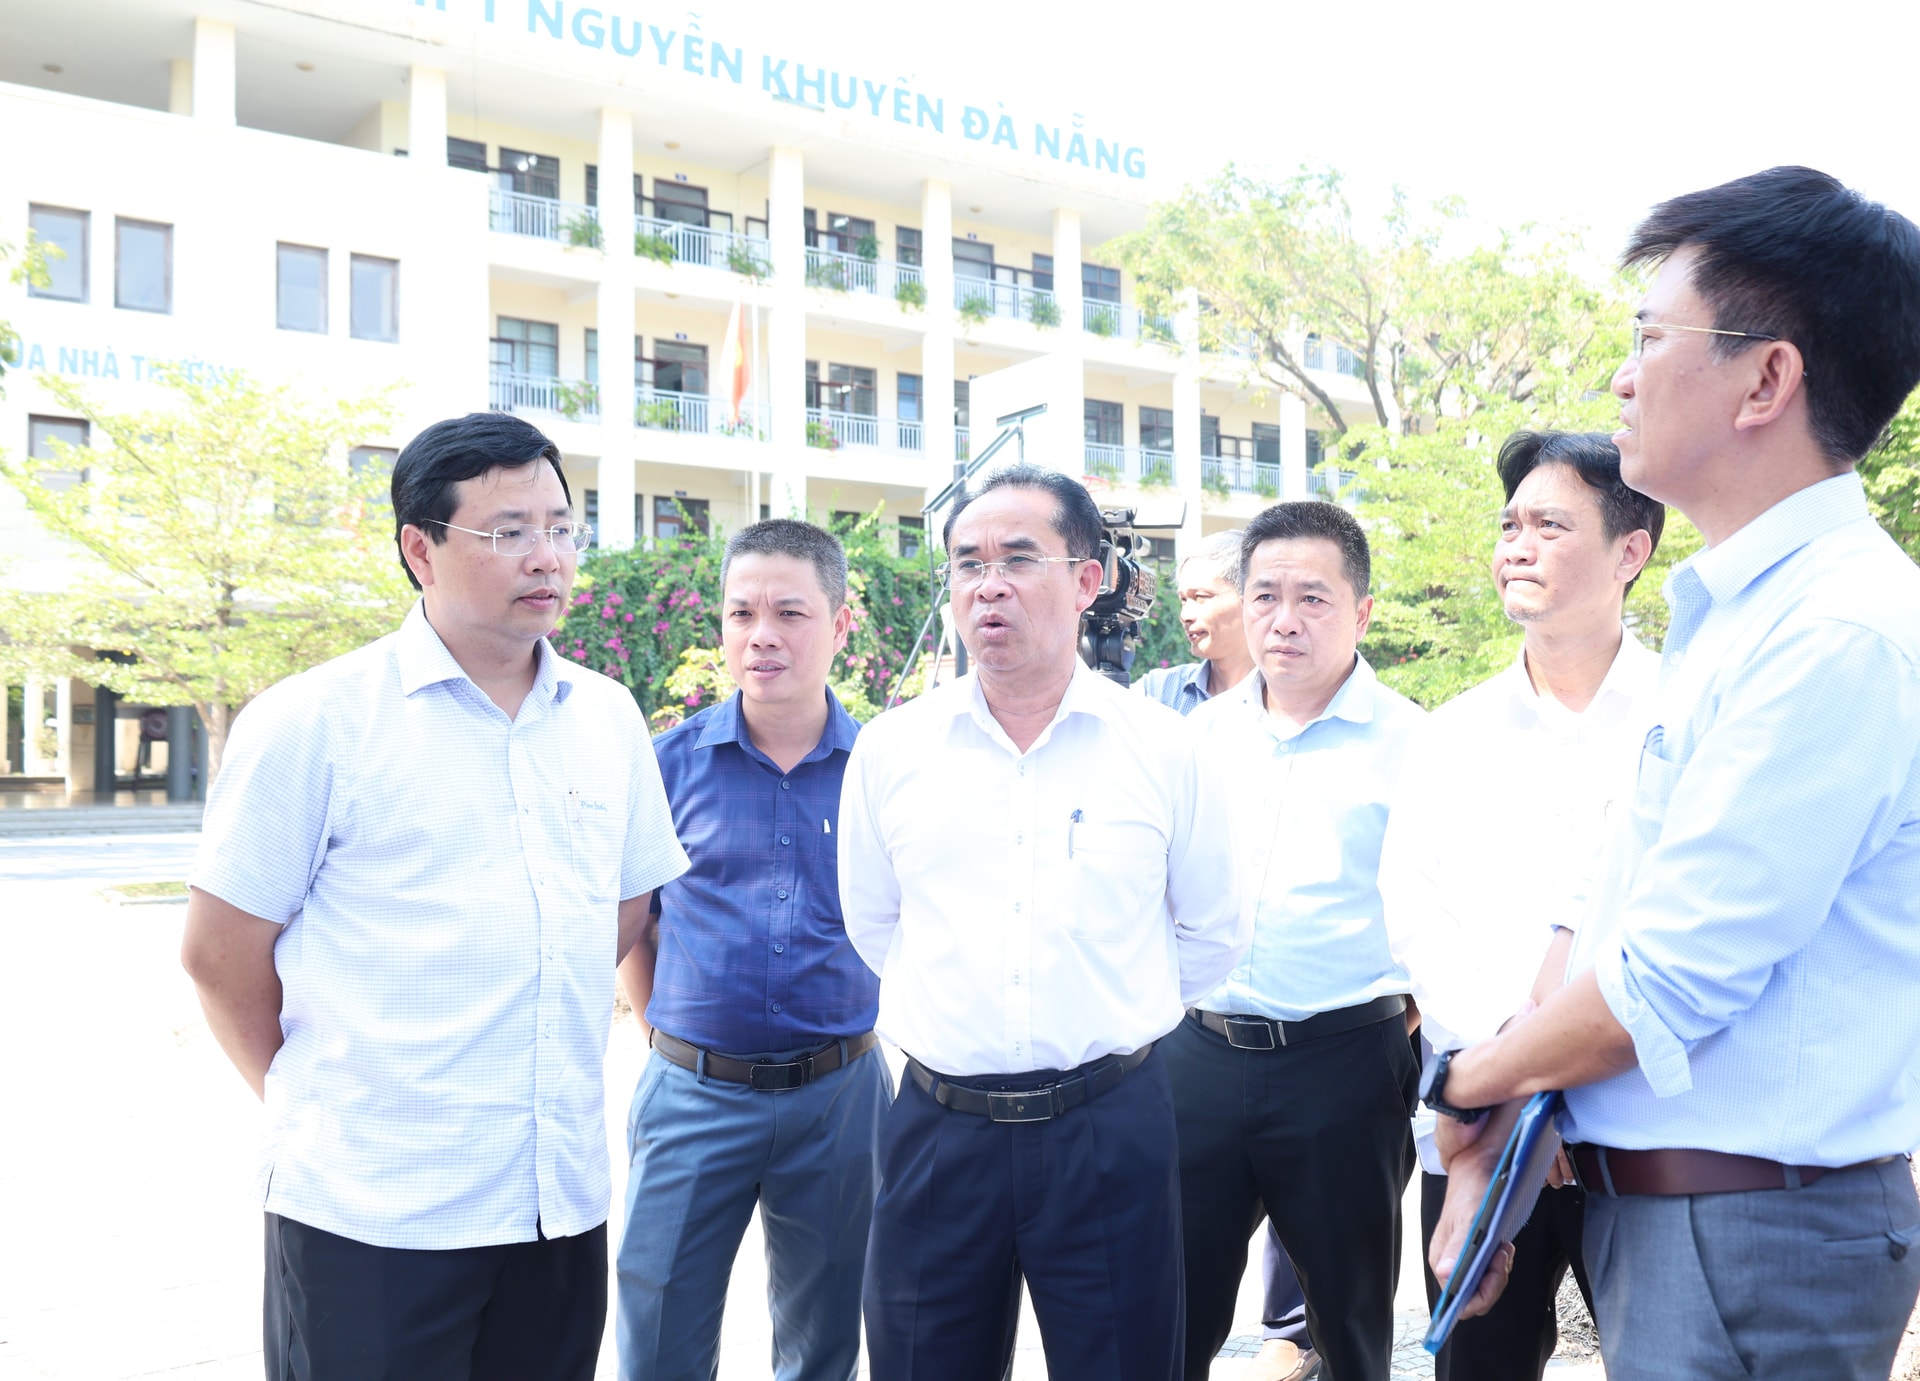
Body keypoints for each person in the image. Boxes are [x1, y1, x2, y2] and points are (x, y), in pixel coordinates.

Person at [1424, 166, 1920, 1381]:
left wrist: (1467, 1082)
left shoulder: (1838, 632)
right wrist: (1494, 1139)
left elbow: (1666, 976)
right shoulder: (1737, 615)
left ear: (1766, 379)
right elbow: (1600, 905)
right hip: (1690, 1220)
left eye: (1652, 338)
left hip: (1752, 1234)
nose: (1622, 377)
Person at [180, 412, 688, 1379]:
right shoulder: (315, 720)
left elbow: (621, 909)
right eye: (510, 531)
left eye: (562, 527)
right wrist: (317, 1094)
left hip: (555, 1204)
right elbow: (218, 953)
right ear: (421, 549)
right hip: (373, 1211)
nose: (547, 556)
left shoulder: (607, 715)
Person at [838, 462, 1247, 1381]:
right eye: (967, 562)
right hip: (938, 1129)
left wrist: (1104, 1006)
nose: (988, 584)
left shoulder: (1163, 748)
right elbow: (876, 923)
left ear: (1087, 578)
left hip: (1108, 1127)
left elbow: (1212, 932)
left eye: (1019, 558)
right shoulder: (894, 748)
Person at [1380, 429, 1664, 1379]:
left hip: (1642, 1133)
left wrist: (1556, 1070)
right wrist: (1511, 1065)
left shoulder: (1687, 712)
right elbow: (1416, 910)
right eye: (1509, 526)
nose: (1517, 546)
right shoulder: (1451, 732)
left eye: (1550, 524)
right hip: (1481, 1141)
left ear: (1630, 551)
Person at [614, 519, 889, 1381]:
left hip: (841, 1097)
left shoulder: (883, 771)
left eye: (789, 613)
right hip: (693, 1093)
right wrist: (665, 1034)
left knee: (825, 1342)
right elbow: (635, 924)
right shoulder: (665, 766)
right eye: (741, 613)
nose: (761, 634)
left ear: (840, 624)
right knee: (658, 1337)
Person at [1173, 499, 1426, 1381]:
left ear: (1362, 611)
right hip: (1198, 1057)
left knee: (1350, 1322)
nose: (1285, 619)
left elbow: (1444, 912)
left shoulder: (1415, 743)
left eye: (1313, 598)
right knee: (1169, 1308)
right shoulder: (1195, 739)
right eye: (1266, 595)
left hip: (1343, 1064)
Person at [1133, 526, 1315, 1381]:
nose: (1188, 611)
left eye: (1204, 594)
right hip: (1193, 1007)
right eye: (1181, 597)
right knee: (1186, 1230)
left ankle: (1293, 1332)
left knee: (1306, 1208)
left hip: (1308, 1009)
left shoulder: (1315, 696)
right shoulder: (1159, 699)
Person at [1135, 528, 1256, 713]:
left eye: (1200, 597)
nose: (1185, 615)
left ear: (1250, 598)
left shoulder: (1285, 698)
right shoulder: (1157, 692)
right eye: (1183, 600)